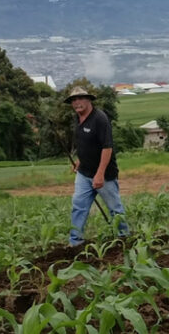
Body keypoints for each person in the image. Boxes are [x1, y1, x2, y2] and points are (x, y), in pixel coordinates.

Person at [64, 86, 128, 246]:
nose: (76, 102)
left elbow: (107, 147)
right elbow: (83, 143)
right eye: (73, 100)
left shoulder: (100, 119)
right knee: (78, 206)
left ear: (88, 99)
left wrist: (100, 174)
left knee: (115, 209)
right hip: (84, 173)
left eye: (80, 98)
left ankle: (124, 238)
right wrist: (80, 160)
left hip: (104, 175)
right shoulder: (77, 118)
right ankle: (75, 243)